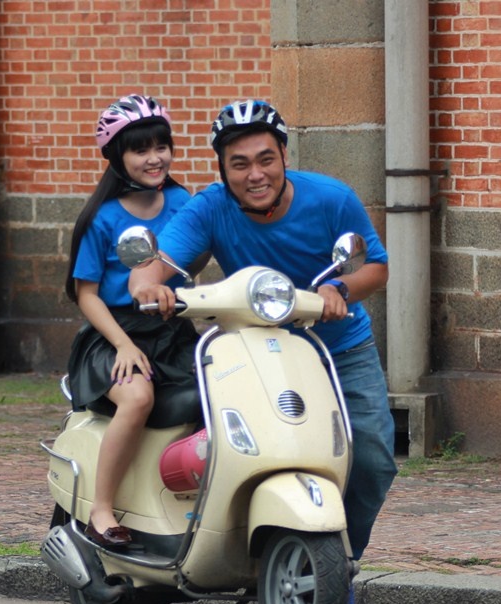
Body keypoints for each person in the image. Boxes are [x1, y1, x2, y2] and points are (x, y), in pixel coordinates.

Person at [129, 99, 398, 567]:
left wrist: (339, 288)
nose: (256, 175)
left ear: (284, 156)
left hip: (338, 347)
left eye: (266, 159)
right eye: (239, 164)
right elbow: (154, 266)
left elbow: (375, 266)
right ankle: (237, 551)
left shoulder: (331, 199)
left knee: (372, 457)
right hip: (257, 350)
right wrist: (150, 287)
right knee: (245, 452)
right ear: (222, 168)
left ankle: (338, 562)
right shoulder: (210, 208)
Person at [65, 94, 200, 549]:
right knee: (138, 396)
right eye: (141, 149)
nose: (155, 158)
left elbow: (194, 263)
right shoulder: (101, 218)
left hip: (172, 330)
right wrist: (123, 344)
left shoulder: (183, 202)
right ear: (118, 157)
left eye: (162, 146)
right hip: (114, 336)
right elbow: (85, 294)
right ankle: (101, 510)